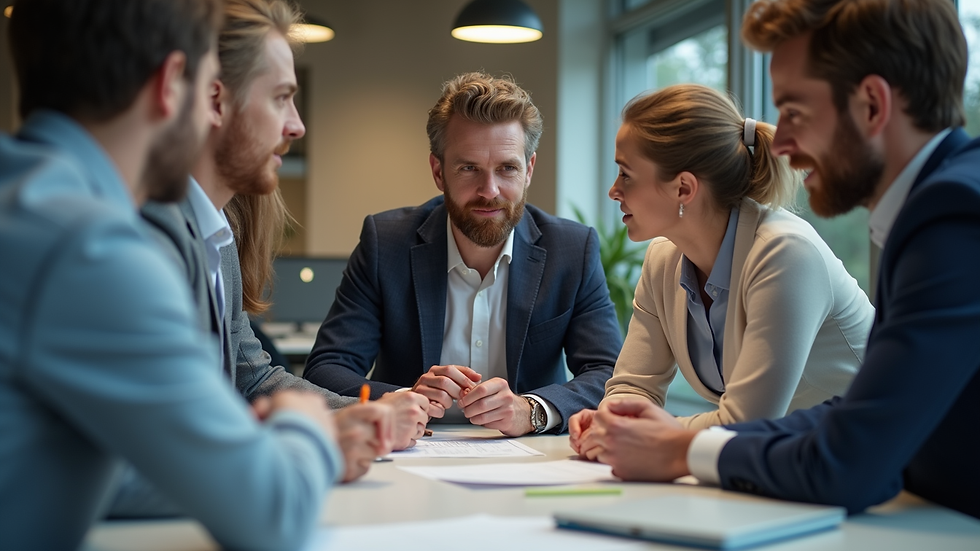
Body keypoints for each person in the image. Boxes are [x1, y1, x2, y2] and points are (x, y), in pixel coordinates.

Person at [573, 0, 980, 520]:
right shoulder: (937, 209)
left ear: (873, 106)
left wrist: (679, 448)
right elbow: (854, 417)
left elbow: (852, 460)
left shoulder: (954, 218)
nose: (780, 141)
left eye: (794, 111)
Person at [0, 1, 352, 549]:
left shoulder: (27, 200)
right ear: (171, 85)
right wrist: (301, 419)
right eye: (209, 84)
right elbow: (273, 514)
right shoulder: (87, 249)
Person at [106, 0, 421, 518]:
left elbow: (250, 376)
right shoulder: (143, 238)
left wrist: (368, 411)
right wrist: (308, 448)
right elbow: (133, 456)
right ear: (215, 101)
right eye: (281, 99)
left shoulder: (217, 233)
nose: (297, 126)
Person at [304, 72, 623, 436]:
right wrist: (403, 398)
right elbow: (326, 369)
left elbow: (609, 374)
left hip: (531, 461)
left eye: (507, 168)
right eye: (469, 168)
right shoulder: (386, 242)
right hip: (409, 455)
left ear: (529, 170)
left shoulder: (571, 249)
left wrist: (531, 410)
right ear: (438, 172)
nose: (489, 191)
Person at [568, 84, 873, 452]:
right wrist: (611, 420)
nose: (613, 191)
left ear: (684, 188)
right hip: (783, 459)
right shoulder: (663, 258)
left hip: (870, 458)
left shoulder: (786, 253)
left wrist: (643, 433)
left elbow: (746, 422)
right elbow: (636, 384)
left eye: (626, 174)